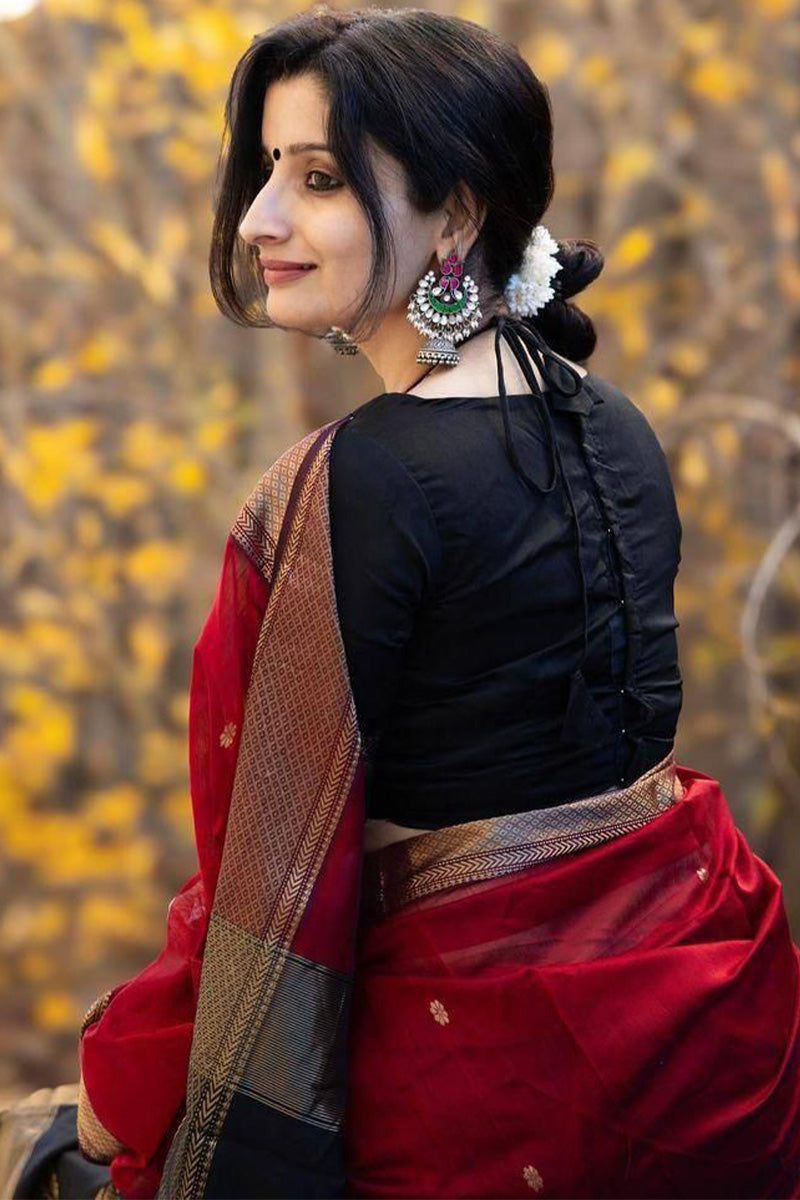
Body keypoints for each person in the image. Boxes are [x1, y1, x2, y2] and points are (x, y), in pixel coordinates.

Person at [5, 6, 798, 1199]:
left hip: (478, 1090)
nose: (261, 220)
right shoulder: (611, 422)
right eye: (266, 172)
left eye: (318, 179)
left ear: (459, 213)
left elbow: (266, 883)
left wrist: (120, 1097)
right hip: (697, 1030)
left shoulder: (359, 478)